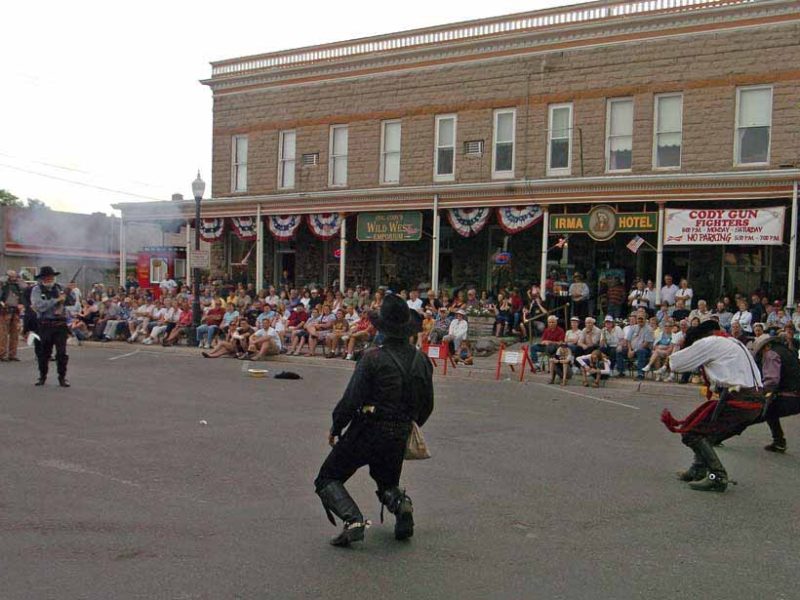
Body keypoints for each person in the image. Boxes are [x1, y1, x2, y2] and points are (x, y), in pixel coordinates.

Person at [314, 293, 433, 547]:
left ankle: (353, 520)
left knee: (327, 477)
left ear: (383, 329)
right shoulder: (422, 360)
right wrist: (408, 424)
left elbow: (351, 399)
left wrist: (336, 426)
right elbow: (427, 405)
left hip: (368, 428)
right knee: (387, 482)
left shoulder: (372, 357)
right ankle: (402, 506)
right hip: (399, 430)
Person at [661, 320, 765, 492]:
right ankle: (698, 469)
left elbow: (677, 364)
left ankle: (717, 476)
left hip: (739, 399)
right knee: (703, 432)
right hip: (748, 398)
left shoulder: (710, 342)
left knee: (692, 432)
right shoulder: (733, 342)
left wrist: (669, 357)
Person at [749, 334, 800, 453]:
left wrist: (758, 392)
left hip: (789, 396)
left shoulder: (771, 354)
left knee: (761, 412)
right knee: (771, 412)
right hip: (795, 392)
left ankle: (719, 435)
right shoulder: (787, 351)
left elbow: (771, 380)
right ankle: (779, 441)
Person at [31, 266, 74, 387]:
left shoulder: (60, 288)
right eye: (47, 277)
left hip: (60, 325)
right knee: (44, 353)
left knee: (62, 353)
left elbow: (71, 302)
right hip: (45, 325)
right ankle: (42, 376)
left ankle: (62, 377)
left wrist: (69, 293)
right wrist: (56, 300)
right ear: (42, 278)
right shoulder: (36, 290)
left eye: (51, 277)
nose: (49, 279)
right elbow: (39, 306)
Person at [0, 270, 26, 362]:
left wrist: (22, 305)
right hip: (4, 311)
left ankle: (12, 354)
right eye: (12, 276)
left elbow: (22, 296)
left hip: (15, 311)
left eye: (14, 276)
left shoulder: (18, 286)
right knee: (3, 334)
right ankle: (2, 354)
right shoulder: (3, 285)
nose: (14, 278)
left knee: (14, 334)